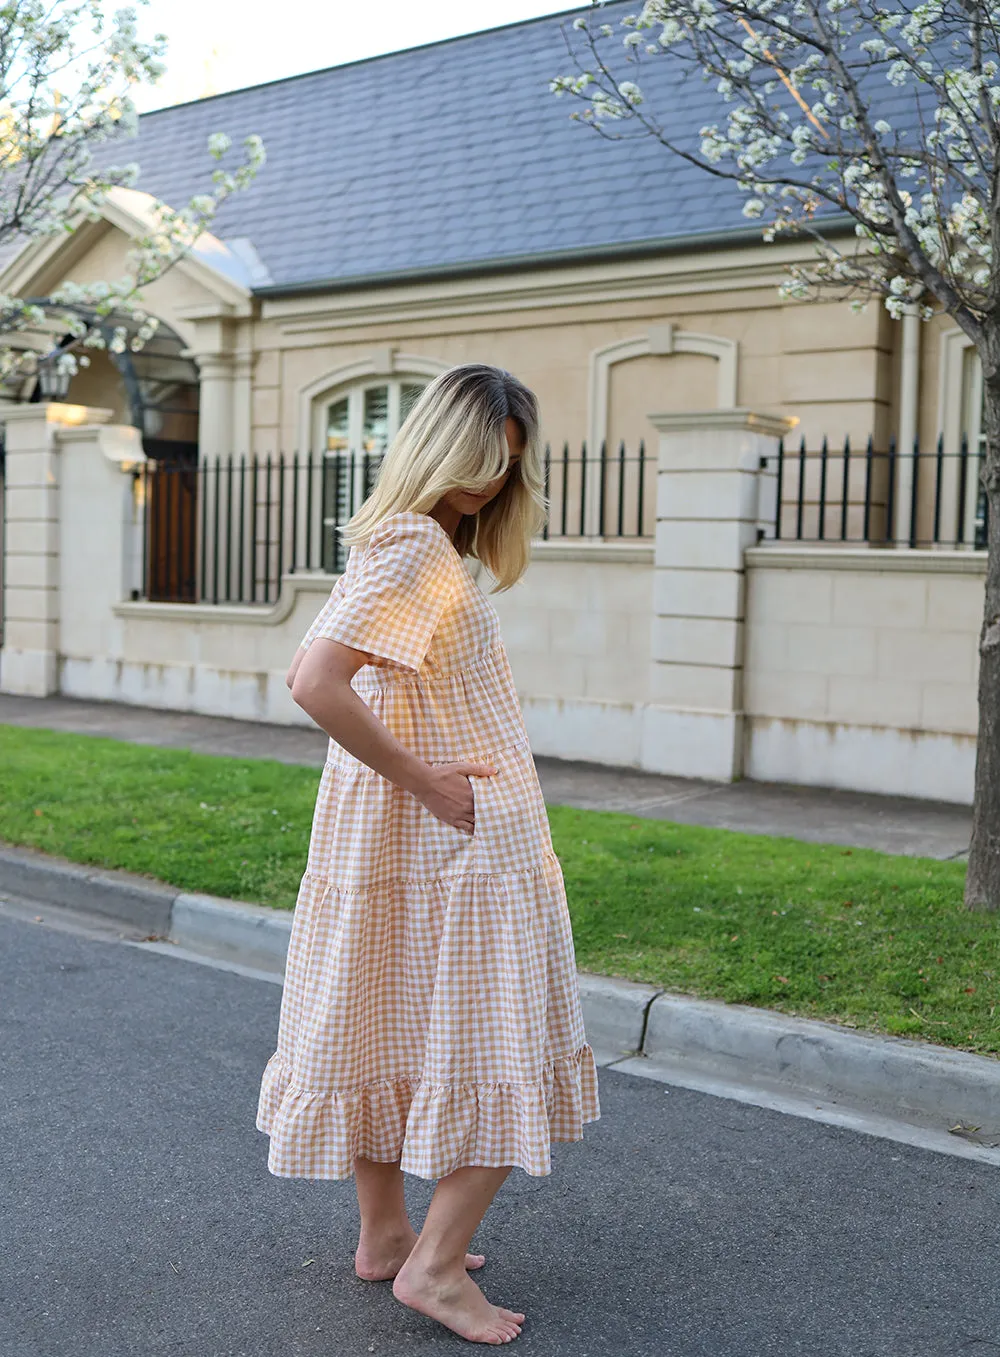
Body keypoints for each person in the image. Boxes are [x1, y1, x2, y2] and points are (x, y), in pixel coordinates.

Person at [256, 363, 600, 1345]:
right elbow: (316, 682)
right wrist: (426, 780)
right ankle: (437, 1270)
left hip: (402, 836)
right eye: (484, 460)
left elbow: (320, 674)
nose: (493, 483)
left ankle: (387, 1236)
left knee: (378, 1012)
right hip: (456, 833)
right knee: (504, 1035)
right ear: (441, 447)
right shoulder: (414, 549)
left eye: (509, 467)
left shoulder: (399, 541)